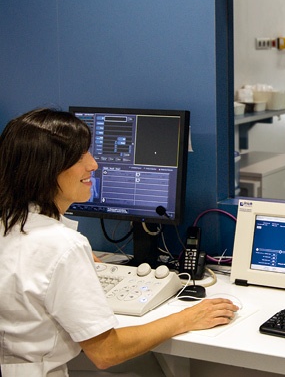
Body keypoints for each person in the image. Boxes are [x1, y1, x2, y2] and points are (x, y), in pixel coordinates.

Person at [0, 108, 238, 376]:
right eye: (80, 157)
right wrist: (187, 318)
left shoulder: (15, 226)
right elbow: (106, 352)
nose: (93, 164)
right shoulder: (62, 246)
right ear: (46, 168)